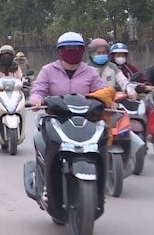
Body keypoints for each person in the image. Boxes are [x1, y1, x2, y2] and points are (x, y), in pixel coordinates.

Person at [28, 31, 113, 206]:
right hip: (56, 120)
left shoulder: (89, 72)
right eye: (68, 48)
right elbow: (38, 89)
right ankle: (47, 187)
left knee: (101, 145)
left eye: (77, 48)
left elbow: (103, 91)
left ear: (82, 51)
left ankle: (99, 189)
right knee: (50, 146)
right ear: (60, 51)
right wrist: (36, 99)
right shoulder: (48, 70)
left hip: (85, 121)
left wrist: (110, 102)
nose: (72, 51)